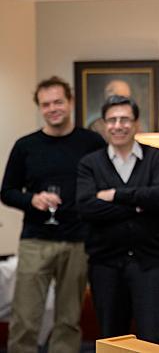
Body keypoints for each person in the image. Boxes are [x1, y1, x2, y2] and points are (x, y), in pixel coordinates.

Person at [0, 76, 105, 353]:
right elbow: (7, 191)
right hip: (36, 241)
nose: (52, 108)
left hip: (78, 242)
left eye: (58, 101)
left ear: (70, 102)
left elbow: (105, 187)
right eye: (46, 104)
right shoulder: (26, 145)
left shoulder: (92, 142)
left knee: (68, 321)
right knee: (24, 319)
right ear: (40, 108)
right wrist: (31, 199)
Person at [76, 95, 159, 344]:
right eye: (112, 120)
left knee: (154, 340)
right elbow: (87, 207)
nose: (118, 125)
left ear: (136, 123)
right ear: (104, 124)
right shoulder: (90, 163)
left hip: (150, 265)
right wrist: (140, 205)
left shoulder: (154, 157)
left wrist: (116, 195)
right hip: (105, 266)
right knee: (112, 340)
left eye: (124, 119)